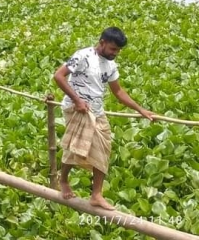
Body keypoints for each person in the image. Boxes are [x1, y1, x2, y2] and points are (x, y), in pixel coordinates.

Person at [53, 27, 155, 211]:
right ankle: (64, 180)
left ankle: (96, 195)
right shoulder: (83, 56)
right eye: (113, 49)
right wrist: (77, 100)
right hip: (76, 109)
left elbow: (118, 91)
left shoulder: (110, 65)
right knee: (76, 146)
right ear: (102, 43)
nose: (115, 53)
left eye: (118, 50)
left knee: (104, 148)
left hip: (97, 111)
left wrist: (141, 110)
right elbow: (58, 76)